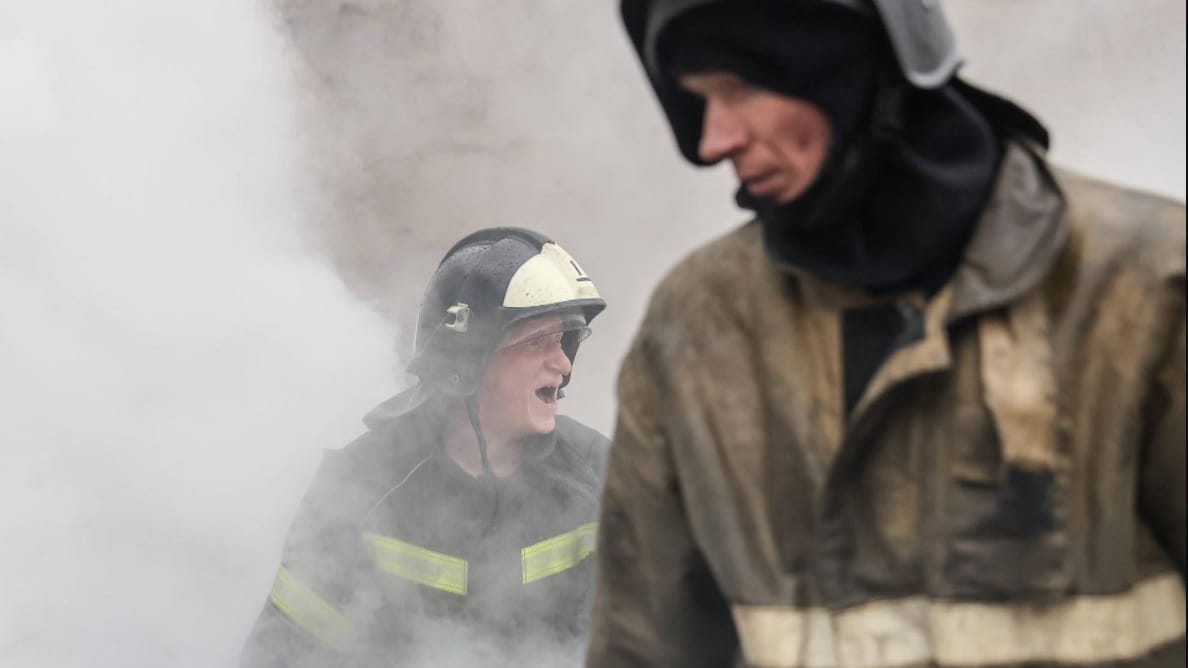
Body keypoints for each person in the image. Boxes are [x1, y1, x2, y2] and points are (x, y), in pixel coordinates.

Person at [586, 1, 1186, 666]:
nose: (712, 140)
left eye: (742, 87)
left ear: (846, 65)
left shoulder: (1143, 291)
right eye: (698, 101)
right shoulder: (696, 330)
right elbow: (641, 649)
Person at [241, 227, 608, 667]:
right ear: (466, 359)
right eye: (536, 342)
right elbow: (284, 652)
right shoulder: (362, 489)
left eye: (564, 340)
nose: (563, 363)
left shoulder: (597, 475)